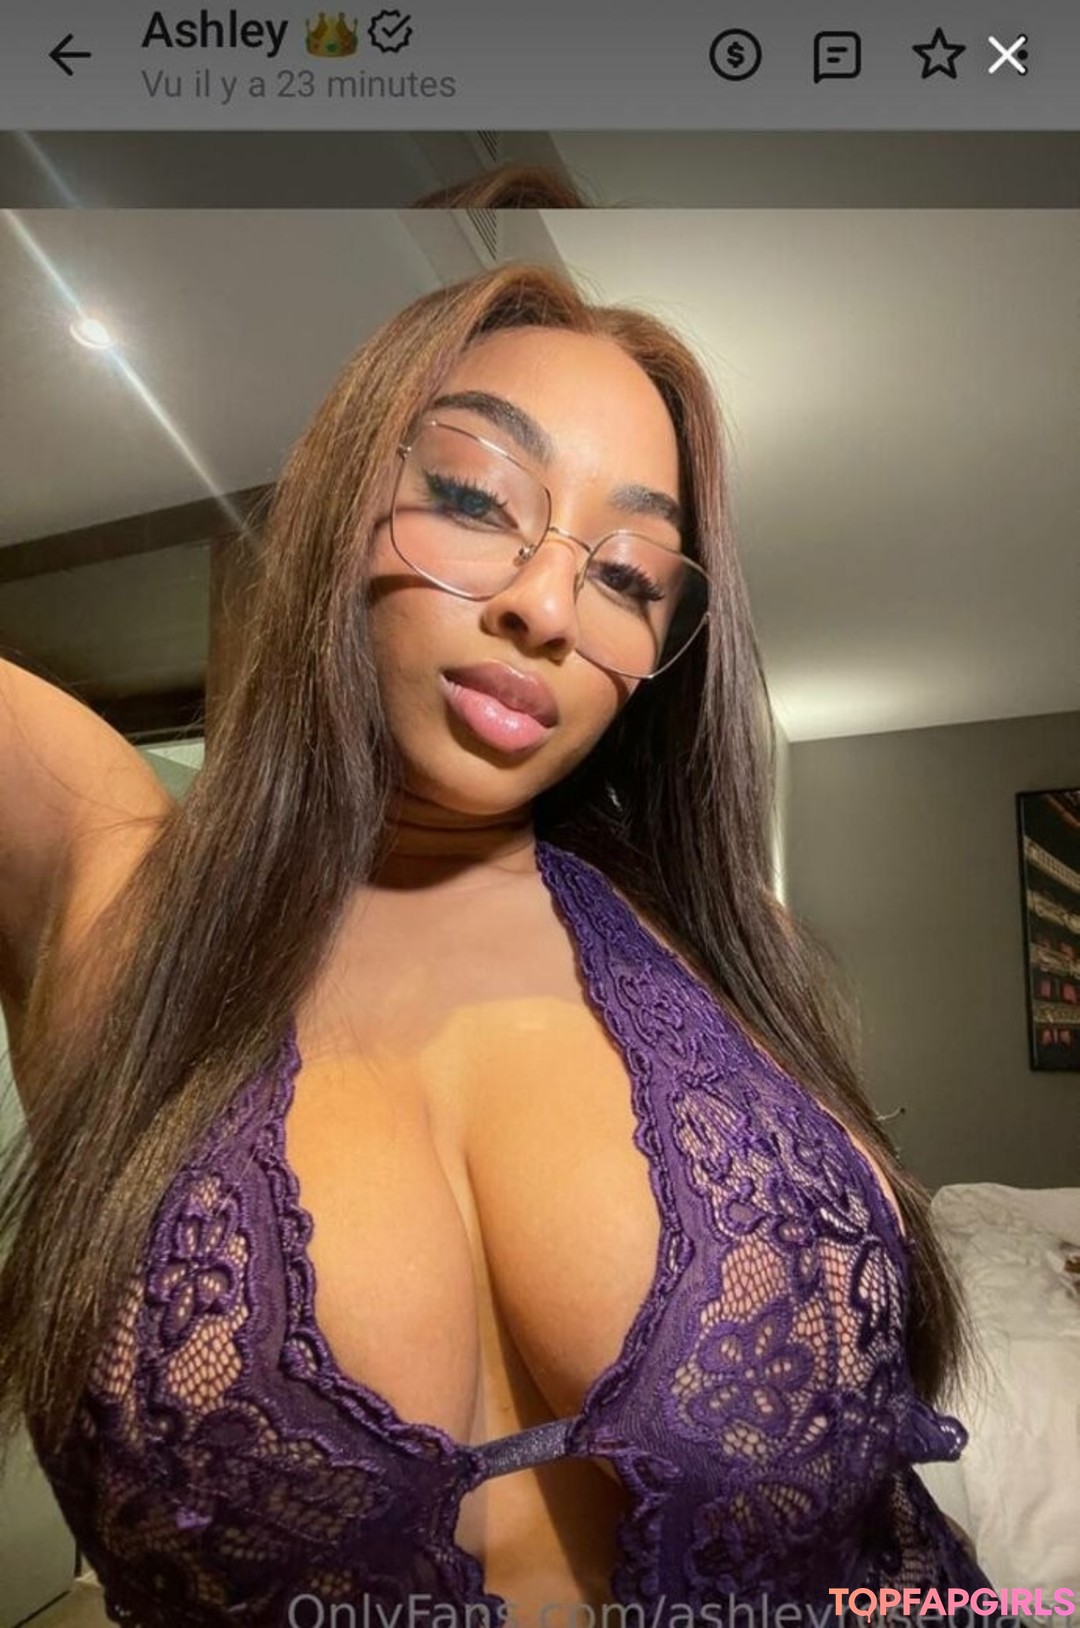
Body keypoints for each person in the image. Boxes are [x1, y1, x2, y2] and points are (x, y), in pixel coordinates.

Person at [0, 261, 1000, 1625]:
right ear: (339, 503)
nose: (549, 606)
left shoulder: (727, 952)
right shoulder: (103, 878)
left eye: (629, 576)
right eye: (476, 499)